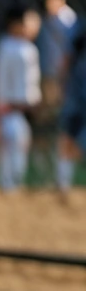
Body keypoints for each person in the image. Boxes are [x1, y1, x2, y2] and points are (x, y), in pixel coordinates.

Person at [0, 5, 42, 191]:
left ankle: (14, 186)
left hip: (24, 109)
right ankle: (8, 187)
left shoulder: (27, 47)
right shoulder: (7, 46)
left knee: (19, 149)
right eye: (30, 22)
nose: (36, 26)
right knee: (11, 149)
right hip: (9, 108)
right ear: (15, 24)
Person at [56, 18, 86, 196]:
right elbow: (67, 60)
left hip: (76, 94)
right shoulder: (79, 28)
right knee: (69, 135)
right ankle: (63, 185)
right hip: (77, 96)